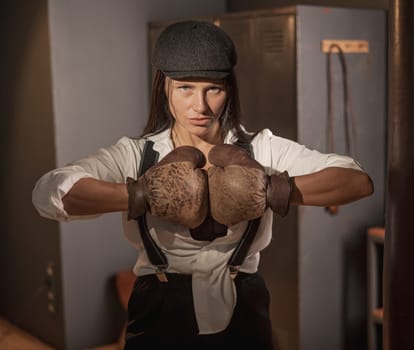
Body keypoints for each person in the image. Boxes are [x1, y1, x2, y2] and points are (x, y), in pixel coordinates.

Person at [32, 21, 374, 349]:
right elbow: (49, 192)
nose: (201, 105)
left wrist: (269, 189)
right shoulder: (137, 154)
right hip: (158, 310)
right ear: (164, 86)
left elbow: (356, 181)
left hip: (245, 308)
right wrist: (140, 194)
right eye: (185, 88)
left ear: (229, 89)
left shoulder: (261, 149)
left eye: (214, 89)